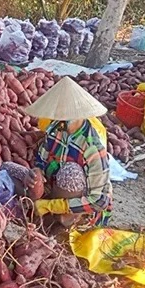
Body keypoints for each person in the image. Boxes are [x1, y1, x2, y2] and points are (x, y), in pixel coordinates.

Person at [25, 77, 112, 227]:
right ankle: (43, 216)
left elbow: (100, 201)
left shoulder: (92, 147)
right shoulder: (55, 129)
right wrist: (36, 171)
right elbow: (41, 158)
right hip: (55, 190)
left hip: (84, 208)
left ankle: (65, 223)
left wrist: (51, 206)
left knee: (71, 173)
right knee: (10, 169)